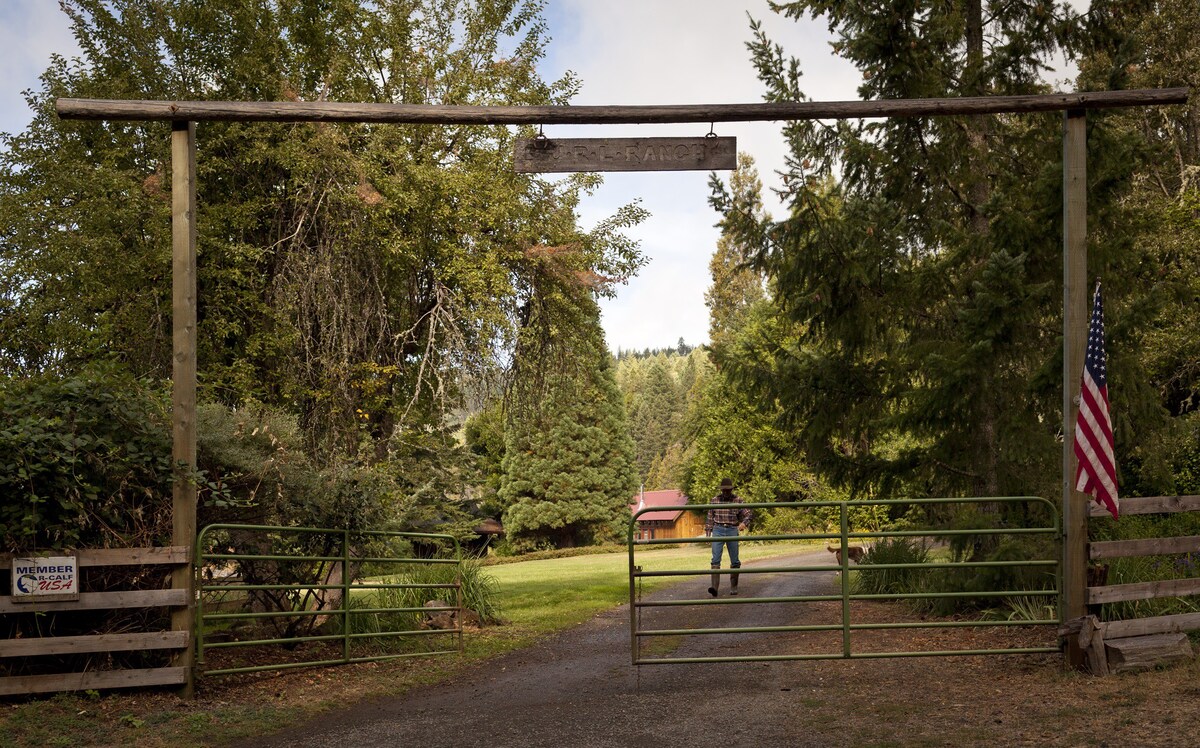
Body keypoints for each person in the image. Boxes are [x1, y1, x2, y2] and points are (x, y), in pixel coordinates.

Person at [704, 478, 752, 597]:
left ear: (731, 490)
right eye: (724, 490)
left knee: (735, 560)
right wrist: (708, 533)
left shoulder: (738, 500)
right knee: (715, 559)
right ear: (721, 490)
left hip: (731, 529)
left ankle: (734, 587)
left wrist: (744, 523)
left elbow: (749, 513)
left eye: (728, 490)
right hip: (718, 529)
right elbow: (710, 517)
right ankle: (714, 588)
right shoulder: (715, 500)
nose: (726, 492)